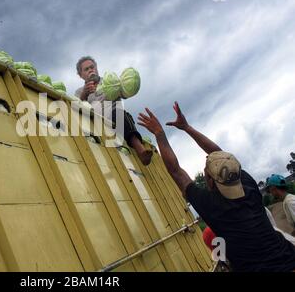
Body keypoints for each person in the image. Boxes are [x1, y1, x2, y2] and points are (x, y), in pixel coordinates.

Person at [137, 101, 295, 272]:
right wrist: (187, 127)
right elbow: (222, 156)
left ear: (211, 181)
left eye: (206, 170)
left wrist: (159, 133)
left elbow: (175, 171)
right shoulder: (248, 186)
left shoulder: (214, 206)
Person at [74, 56, 153, 166]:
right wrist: (84, 94)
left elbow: (124, 93)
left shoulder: (109, 80)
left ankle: (141, 151)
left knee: (120, 113)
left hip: (116, 118)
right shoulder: (79, 92)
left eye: (92, 67)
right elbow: (76, 108)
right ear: (80, 75)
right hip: (97, 125)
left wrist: (126, 86)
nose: (90, 70)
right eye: (86, 69)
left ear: (96, 68)